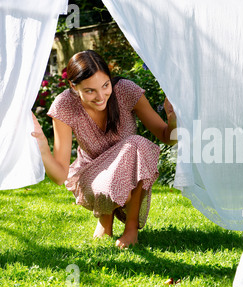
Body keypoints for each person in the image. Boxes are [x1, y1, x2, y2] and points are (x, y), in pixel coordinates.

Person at [32, 50, 177, 248]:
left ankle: (131, 228)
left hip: (128, 173)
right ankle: (105, 218)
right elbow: (59, 176)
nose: (101, 96)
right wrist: (42, 146)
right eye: (90, 90)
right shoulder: (65, 105)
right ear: (73, 87)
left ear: (110, 79)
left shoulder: (126, 91)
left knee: (137, 144)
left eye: (105, 85)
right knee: (122, 186)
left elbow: (167, 137)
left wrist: (173, 120)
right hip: (92, 176)